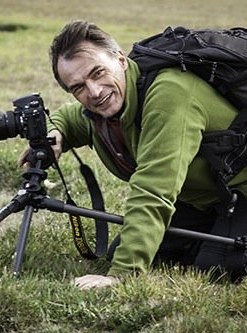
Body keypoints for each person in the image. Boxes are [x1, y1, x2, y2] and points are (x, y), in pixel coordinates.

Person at [19, 20, 247, 289]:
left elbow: (154, 189)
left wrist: (121, 275)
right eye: (78, 87)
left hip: (241, 193)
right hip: (205, 201)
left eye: (98, 73)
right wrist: (56, 133)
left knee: (215, 270)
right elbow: (72, 117)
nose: (94, 91)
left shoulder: (169, 94)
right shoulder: (111, 105)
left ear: (121, 60)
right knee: (124, 250)